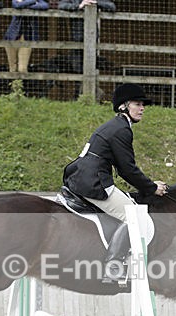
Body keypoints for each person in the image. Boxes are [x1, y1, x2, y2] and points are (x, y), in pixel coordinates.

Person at [62, 83, 167, 283]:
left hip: (83, 176)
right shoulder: (121, 130)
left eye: (143, 104)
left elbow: (122, 168)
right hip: (93, 182)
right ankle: (114, 266)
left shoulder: (115, 126)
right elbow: (128, 169)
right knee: (135, 217)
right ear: (123, 106)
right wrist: (152, 188)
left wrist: (146, 185)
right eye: (137, 104)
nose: (142, 108)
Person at [4, 0, 49, 74]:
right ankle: (15, 85)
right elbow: (16, 5)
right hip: (12, 36)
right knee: (12, 68)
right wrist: (33, 2)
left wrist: (24, 3)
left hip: (27, 37)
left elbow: (45, 6)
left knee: (22, 69)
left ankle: (20, 85)